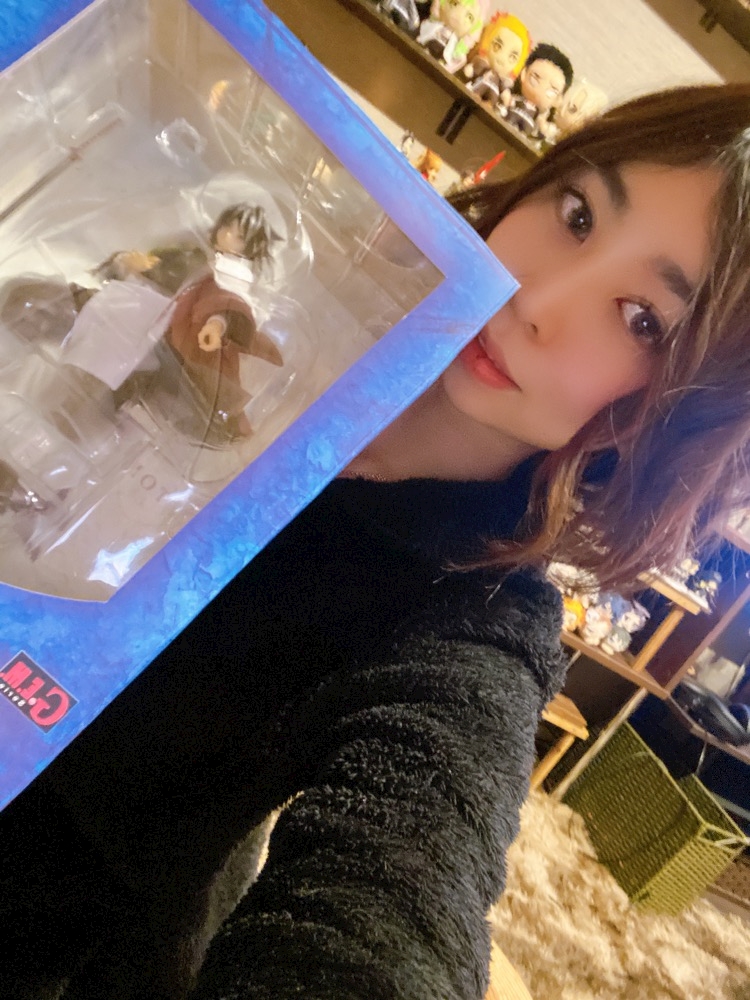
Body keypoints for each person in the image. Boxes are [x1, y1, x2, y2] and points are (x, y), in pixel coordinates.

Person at [3, 82, 750, 1000]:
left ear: (674, 418)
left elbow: (400, 893)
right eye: (578, 214)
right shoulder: (258, 303)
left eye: (643, 322)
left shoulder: (470, 617)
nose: (538, 298)